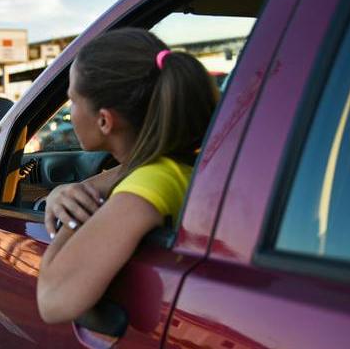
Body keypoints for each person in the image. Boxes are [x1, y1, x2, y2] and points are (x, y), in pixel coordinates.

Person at [37, 28, 219, 324]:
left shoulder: (149, 184)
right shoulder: (169, 169)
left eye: (72, 99)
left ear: (105, 120)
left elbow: (52, 300)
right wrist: (66, 193)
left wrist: (74, 217)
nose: (70, 111)